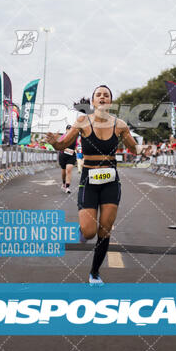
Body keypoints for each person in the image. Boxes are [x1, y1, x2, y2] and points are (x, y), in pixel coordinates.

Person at [47, 84, 137, 286]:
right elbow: (62, 145)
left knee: (105, 231)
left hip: (111, 182)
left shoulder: (120, 124)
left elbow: (134, 148)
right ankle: (82, 230)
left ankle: (94, 273)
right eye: (99, 95)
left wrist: (135, 143)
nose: (103, 97)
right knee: (89, 232)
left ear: (110, 101)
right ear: (93, 101)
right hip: (89, 181)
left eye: (106, 95)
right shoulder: (82, 122)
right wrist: (54, 142)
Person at [58, 124, 77, 193]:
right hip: (63, 155)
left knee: (68, 170)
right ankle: (63, 183)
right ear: (66, 130)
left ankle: (67, 187)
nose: (70, 131)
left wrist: (76, 149)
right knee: (64, 171)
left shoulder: (75, 137)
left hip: (71, 156)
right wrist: (66, 149)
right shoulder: (63, 136)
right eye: (69, 129)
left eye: (71, 130)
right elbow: (59, 146)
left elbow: (76, 145)